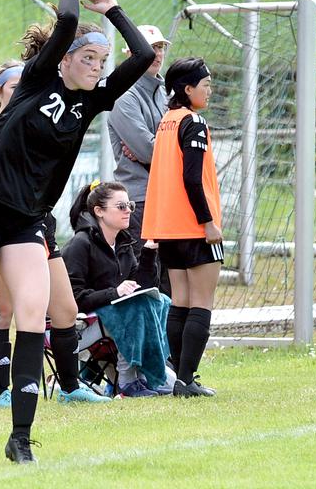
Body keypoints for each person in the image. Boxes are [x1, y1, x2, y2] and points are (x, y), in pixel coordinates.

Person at [0, 0, 154, 465]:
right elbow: (63, 24)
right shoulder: (38, 81)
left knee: (34, 320)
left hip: (27, 218)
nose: (98, 66)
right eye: (89, 56)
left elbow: (143, 53)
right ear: (64, 59)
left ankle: (20, 439)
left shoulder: (93, 102)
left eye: (103, 61)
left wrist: (112, 9)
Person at [0, 62, 108, 408]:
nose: (21, 91)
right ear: (0, 92)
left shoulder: (45, 119)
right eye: (12, 87)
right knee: (2, 310)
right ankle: (1, 391)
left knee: (65, 308)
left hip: (37, 222)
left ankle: (70, 387)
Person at [142, 56, 222, 397]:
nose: (209, 90)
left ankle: (180, 378)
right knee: (201, 302)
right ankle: (186, 381)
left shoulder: (166, 122)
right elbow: (192, 178)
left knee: (181, 303)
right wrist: (208, 222)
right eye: (205, 85)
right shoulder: (192, 122)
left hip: (168, 227)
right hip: (194, 227)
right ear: (187, 89)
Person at [62, 181, 173, 398]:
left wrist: (149, 255)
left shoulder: (123, 243)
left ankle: (147, 372)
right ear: (99, 211)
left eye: (129, 205)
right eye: (121, 206)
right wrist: (115, 293)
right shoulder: (81, 244)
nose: (129, 211)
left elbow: (143, 287)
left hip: (113, 318)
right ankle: (127, 381)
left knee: (161, 300)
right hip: (82, 324)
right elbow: (72, 298)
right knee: (135, 307)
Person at [108, 25, 172, 295]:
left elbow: (168, 148)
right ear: (132, 53)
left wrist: (162, 147)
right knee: (144, 277)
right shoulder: (125, 97)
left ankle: (168, 336)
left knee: (169, 275)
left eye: (160, 48)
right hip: (141, 199)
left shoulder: (163, 93)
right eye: (150, 48)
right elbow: (149, 151)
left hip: (165, 195)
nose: (156, 54)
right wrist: (163, 147)